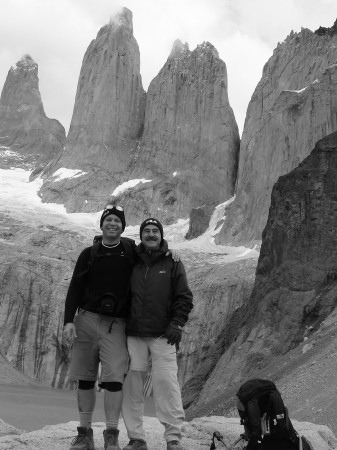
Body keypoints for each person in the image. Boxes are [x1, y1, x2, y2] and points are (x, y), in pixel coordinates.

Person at [63, 204, 136, 450]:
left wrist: (170, 252)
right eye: (109, 220)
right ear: (102, 224)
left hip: (116, 324)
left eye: (117, 220)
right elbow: (75, 288)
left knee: (113, 379)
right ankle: (84, 435)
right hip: (86, 319)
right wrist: (68, 320)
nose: (112, 224)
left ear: (122, 226)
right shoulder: (88, 254)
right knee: (84, 378)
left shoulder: (130, 252)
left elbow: (152, 256)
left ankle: (111, 435)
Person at [122, 218, 193, 450]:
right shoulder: (132, 259)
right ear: (140, 235)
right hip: (134, 334)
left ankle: (173, 438)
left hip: (163, 335)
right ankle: (136, 438)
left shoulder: (173, 262)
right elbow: (111, 246)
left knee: (166, 383)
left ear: (161, 235)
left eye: (155, 231)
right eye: (146, 231)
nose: (151, 235)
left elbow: (184, 297)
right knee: (133, 385)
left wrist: (178, 324)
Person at [236, 379, 313, 450]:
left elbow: (256, 430)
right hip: (267, 396)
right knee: (282, 432)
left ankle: (296, 444)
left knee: (280, 433)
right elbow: (254, 427)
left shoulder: (252, 402)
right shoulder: (251, 402)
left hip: (268, 398)